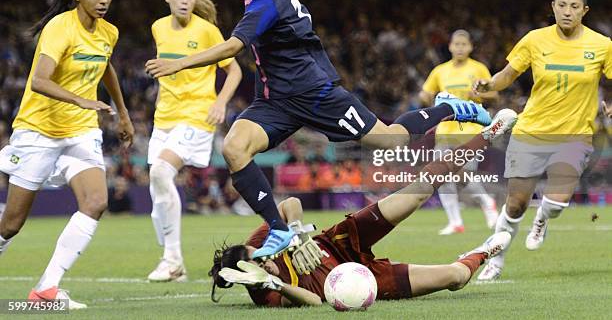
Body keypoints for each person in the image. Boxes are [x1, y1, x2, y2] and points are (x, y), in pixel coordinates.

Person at [145, 0, 493, 262]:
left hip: (315, 91)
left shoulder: (265, 2)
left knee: (394, 139)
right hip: (276, 99)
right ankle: (277, 229)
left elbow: (232, 48)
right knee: (235, 147)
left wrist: (179, 64)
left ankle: (450, 106)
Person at [209, 109, 518, 307]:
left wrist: (297, 233)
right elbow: (313, 302)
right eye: (259, 269)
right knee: (454, 278)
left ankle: (487, 135)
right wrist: (275, 281)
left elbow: (291, 204)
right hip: (361, 277)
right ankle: (484, 251)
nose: (265, 262)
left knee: (418, 192)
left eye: (259, 259)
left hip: (339, 241)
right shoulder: (265, 293)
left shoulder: (258, 242)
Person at [0, 0, 134, 308]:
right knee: (11, 224)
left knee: (96, 202)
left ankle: (47, 289)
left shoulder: (109, 32)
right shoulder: (60, 27)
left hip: (80, 131)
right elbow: (40, 81)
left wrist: (123, 113)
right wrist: (81, 100)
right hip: (38, 130)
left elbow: (105, 68)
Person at [473, 0, 611, 281]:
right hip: (531, 131)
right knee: (515, 204)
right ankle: (495, 261)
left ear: (584, 11)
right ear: (552, 7)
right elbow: (509, 74)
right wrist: (490, 85)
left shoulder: (602, 45)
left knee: (557, 203)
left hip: (575, 135)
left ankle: (543, 218)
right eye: (561, 5)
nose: (567, 12)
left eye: (574, 7)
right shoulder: (535, 40)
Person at [146, 0, 242, 282]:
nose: (186, 1)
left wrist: (221, 102)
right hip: (164, 117)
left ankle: (172, 260)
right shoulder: (158, 28)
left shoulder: (208, 31)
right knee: (156, 186)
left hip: (198, 114)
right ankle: (175, 264)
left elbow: (235, 71)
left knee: (161, 172)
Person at [419, 29, 499, 235]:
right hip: (445, 131)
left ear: (471, 47)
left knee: (462, 173)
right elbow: (426, 94)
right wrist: (426, 98)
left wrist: (482, 93)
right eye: (457, 44)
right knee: (440, 174)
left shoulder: (478, 68)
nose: (460, 47)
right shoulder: (440, 71)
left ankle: (486, 201)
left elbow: (494, 94)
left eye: (464, 44)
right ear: (450, 46)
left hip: (469, 130)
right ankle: (455, 222)